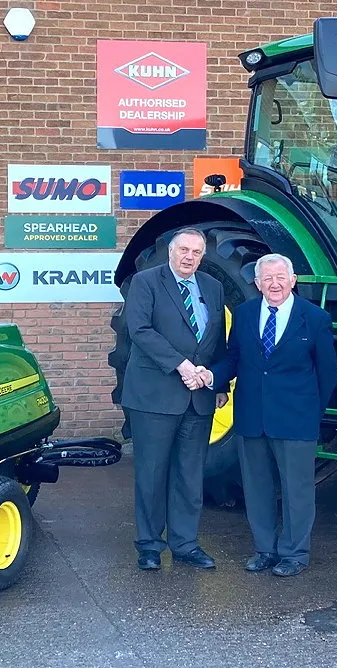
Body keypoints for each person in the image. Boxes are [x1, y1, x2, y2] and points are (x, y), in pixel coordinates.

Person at [203, 252, 336, 577]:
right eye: (268, 278)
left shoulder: (315, 318)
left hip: (296, 419)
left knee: (297, 490)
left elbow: (327, 373)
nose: (274, 284)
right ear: (258, 283)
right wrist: (211, 378)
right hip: (251, 417)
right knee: (257, 488)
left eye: (281, 278)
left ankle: (294, 553)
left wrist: (310, 413)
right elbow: (233, 358)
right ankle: (264, 550)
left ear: (292, 281)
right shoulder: (246, 314)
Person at [118, 228, 228, 571]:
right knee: (152, 474)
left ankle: (185, 544)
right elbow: (140, 331)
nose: (189, 257)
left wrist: (220, 382)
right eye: (184, 250)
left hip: (199, 397)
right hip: (154, 396)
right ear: (170, 250)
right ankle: (149, 546)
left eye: (196, 252)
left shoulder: (213, 286)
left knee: (189, 475)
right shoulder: (146, 282)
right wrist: (180, 365)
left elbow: (216, 338)